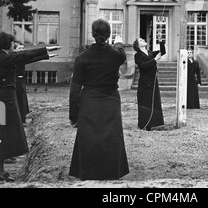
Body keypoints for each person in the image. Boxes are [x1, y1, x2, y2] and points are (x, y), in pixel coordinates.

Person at [69, 18, 129, 181]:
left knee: (88, 137)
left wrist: (73, 115)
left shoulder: (82, 58)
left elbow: (74, 90)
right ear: (108, 35)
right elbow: (122, 54)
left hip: (90, 101)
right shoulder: (116, 55)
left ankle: (88, 172)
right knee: (111, 137)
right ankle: (111, 172)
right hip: (110, 100)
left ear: (93, 34)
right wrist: (118, 43)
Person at [0, 31, 61, 182]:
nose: (15, 48)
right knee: (2, 134)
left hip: (4, 101)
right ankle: (0, 171)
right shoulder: (3, 57)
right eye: (13, 45)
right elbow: (22, 56)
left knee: (3, 135)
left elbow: (23, 59)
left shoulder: (5, 56)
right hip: (2, 102)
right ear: (7, 46)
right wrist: (44, 50)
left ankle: (1, 171)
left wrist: (45, 56)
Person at [133, 32, 165, 131]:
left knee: (154, 102)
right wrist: (155, 60)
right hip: (145, 83)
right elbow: (143, 66)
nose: (143, 40)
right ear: (138, 45)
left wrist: (160, 41)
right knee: (145, 103)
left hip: (153, 81)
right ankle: (144, 124)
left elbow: (162, 52)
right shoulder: (138, 55)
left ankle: (154, 123)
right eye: (141, 40)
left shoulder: (150, 52)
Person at [13, 41, 29, 125]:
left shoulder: (22, 57)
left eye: (23, 48)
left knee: (22, 99)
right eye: (20, 48)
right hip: (13, 82)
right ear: (14, 49)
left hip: (20, 81)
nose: (22, 50)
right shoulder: (12, 58)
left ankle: (22, 119)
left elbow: (32, 58)